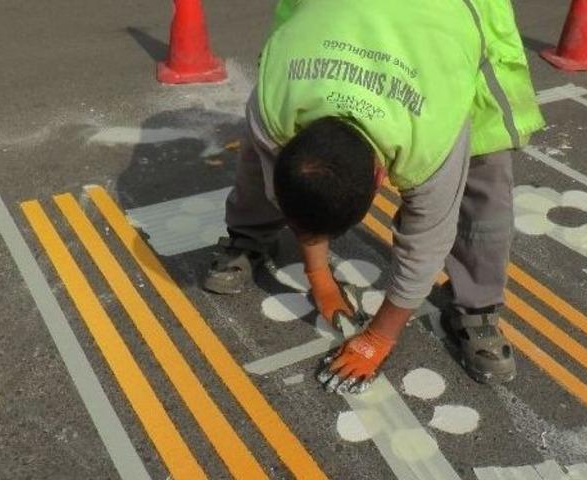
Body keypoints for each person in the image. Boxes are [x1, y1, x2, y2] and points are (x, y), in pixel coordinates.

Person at [204, 0, 544, 393]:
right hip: (328, 24)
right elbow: (298, 193)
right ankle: (249, 236)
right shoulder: (275, 101)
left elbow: (425, 243)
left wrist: (379, 337)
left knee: (485, 170)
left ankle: (477, 307)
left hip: (451, 22)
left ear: (381, 177)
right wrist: (319, 278)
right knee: (267, 165)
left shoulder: (430, 137)